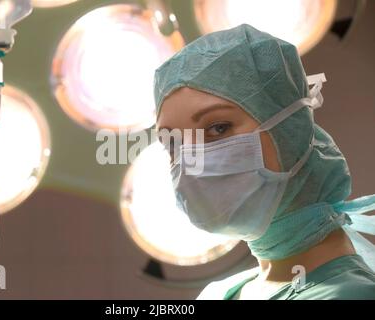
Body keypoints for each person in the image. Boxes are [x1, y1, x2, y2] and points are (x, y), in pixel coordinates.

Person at [153, 24, 375, 300]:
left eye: (218, 128)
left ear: (289, 131)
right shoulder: (221, 292)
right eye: (172, 144)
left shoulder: (349, 295)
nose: (190, 162)